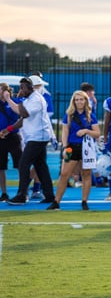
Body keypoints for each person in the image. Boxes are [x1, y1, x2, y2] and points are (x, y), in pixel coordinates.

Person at [4, 77, 55, 205]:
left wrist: (10, 99)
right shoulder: (30, 99)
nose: (21, 90)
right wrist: (9, 129)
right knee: (41, 166)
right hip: (37, 137)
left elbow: (24, 113)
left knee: (23, 164)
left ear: (31, 87)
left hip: (37, 137)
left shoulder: (36, 99)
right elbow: (23, 119)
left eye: (23, 88)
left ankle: (22, 195)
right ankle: (49, 195)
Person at [47, 90, 101, 210]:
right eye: (77, 100)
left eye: (81, 99)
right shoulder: (69, 115)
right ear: (74, 101)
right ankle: (56, 201)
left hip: (87, 148)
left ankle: (84, 201)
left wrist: (86, 131)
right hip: (71, 147)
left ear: (85, 101)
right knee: (64, 174)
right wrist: (65, 147)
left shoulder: (91, 115)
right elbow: (65, 132)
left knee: (86, 174)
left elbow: (97, 133)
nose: (79, 102)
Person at [0, 83, 22, 201]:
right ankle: (4, 193)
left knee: (20, 165)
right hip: (1, 138)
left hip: (13, 136)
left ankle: (22, 191)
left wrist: (8, 99)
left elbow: (19, 114)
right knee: (1, 167)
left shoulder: (14, 101)